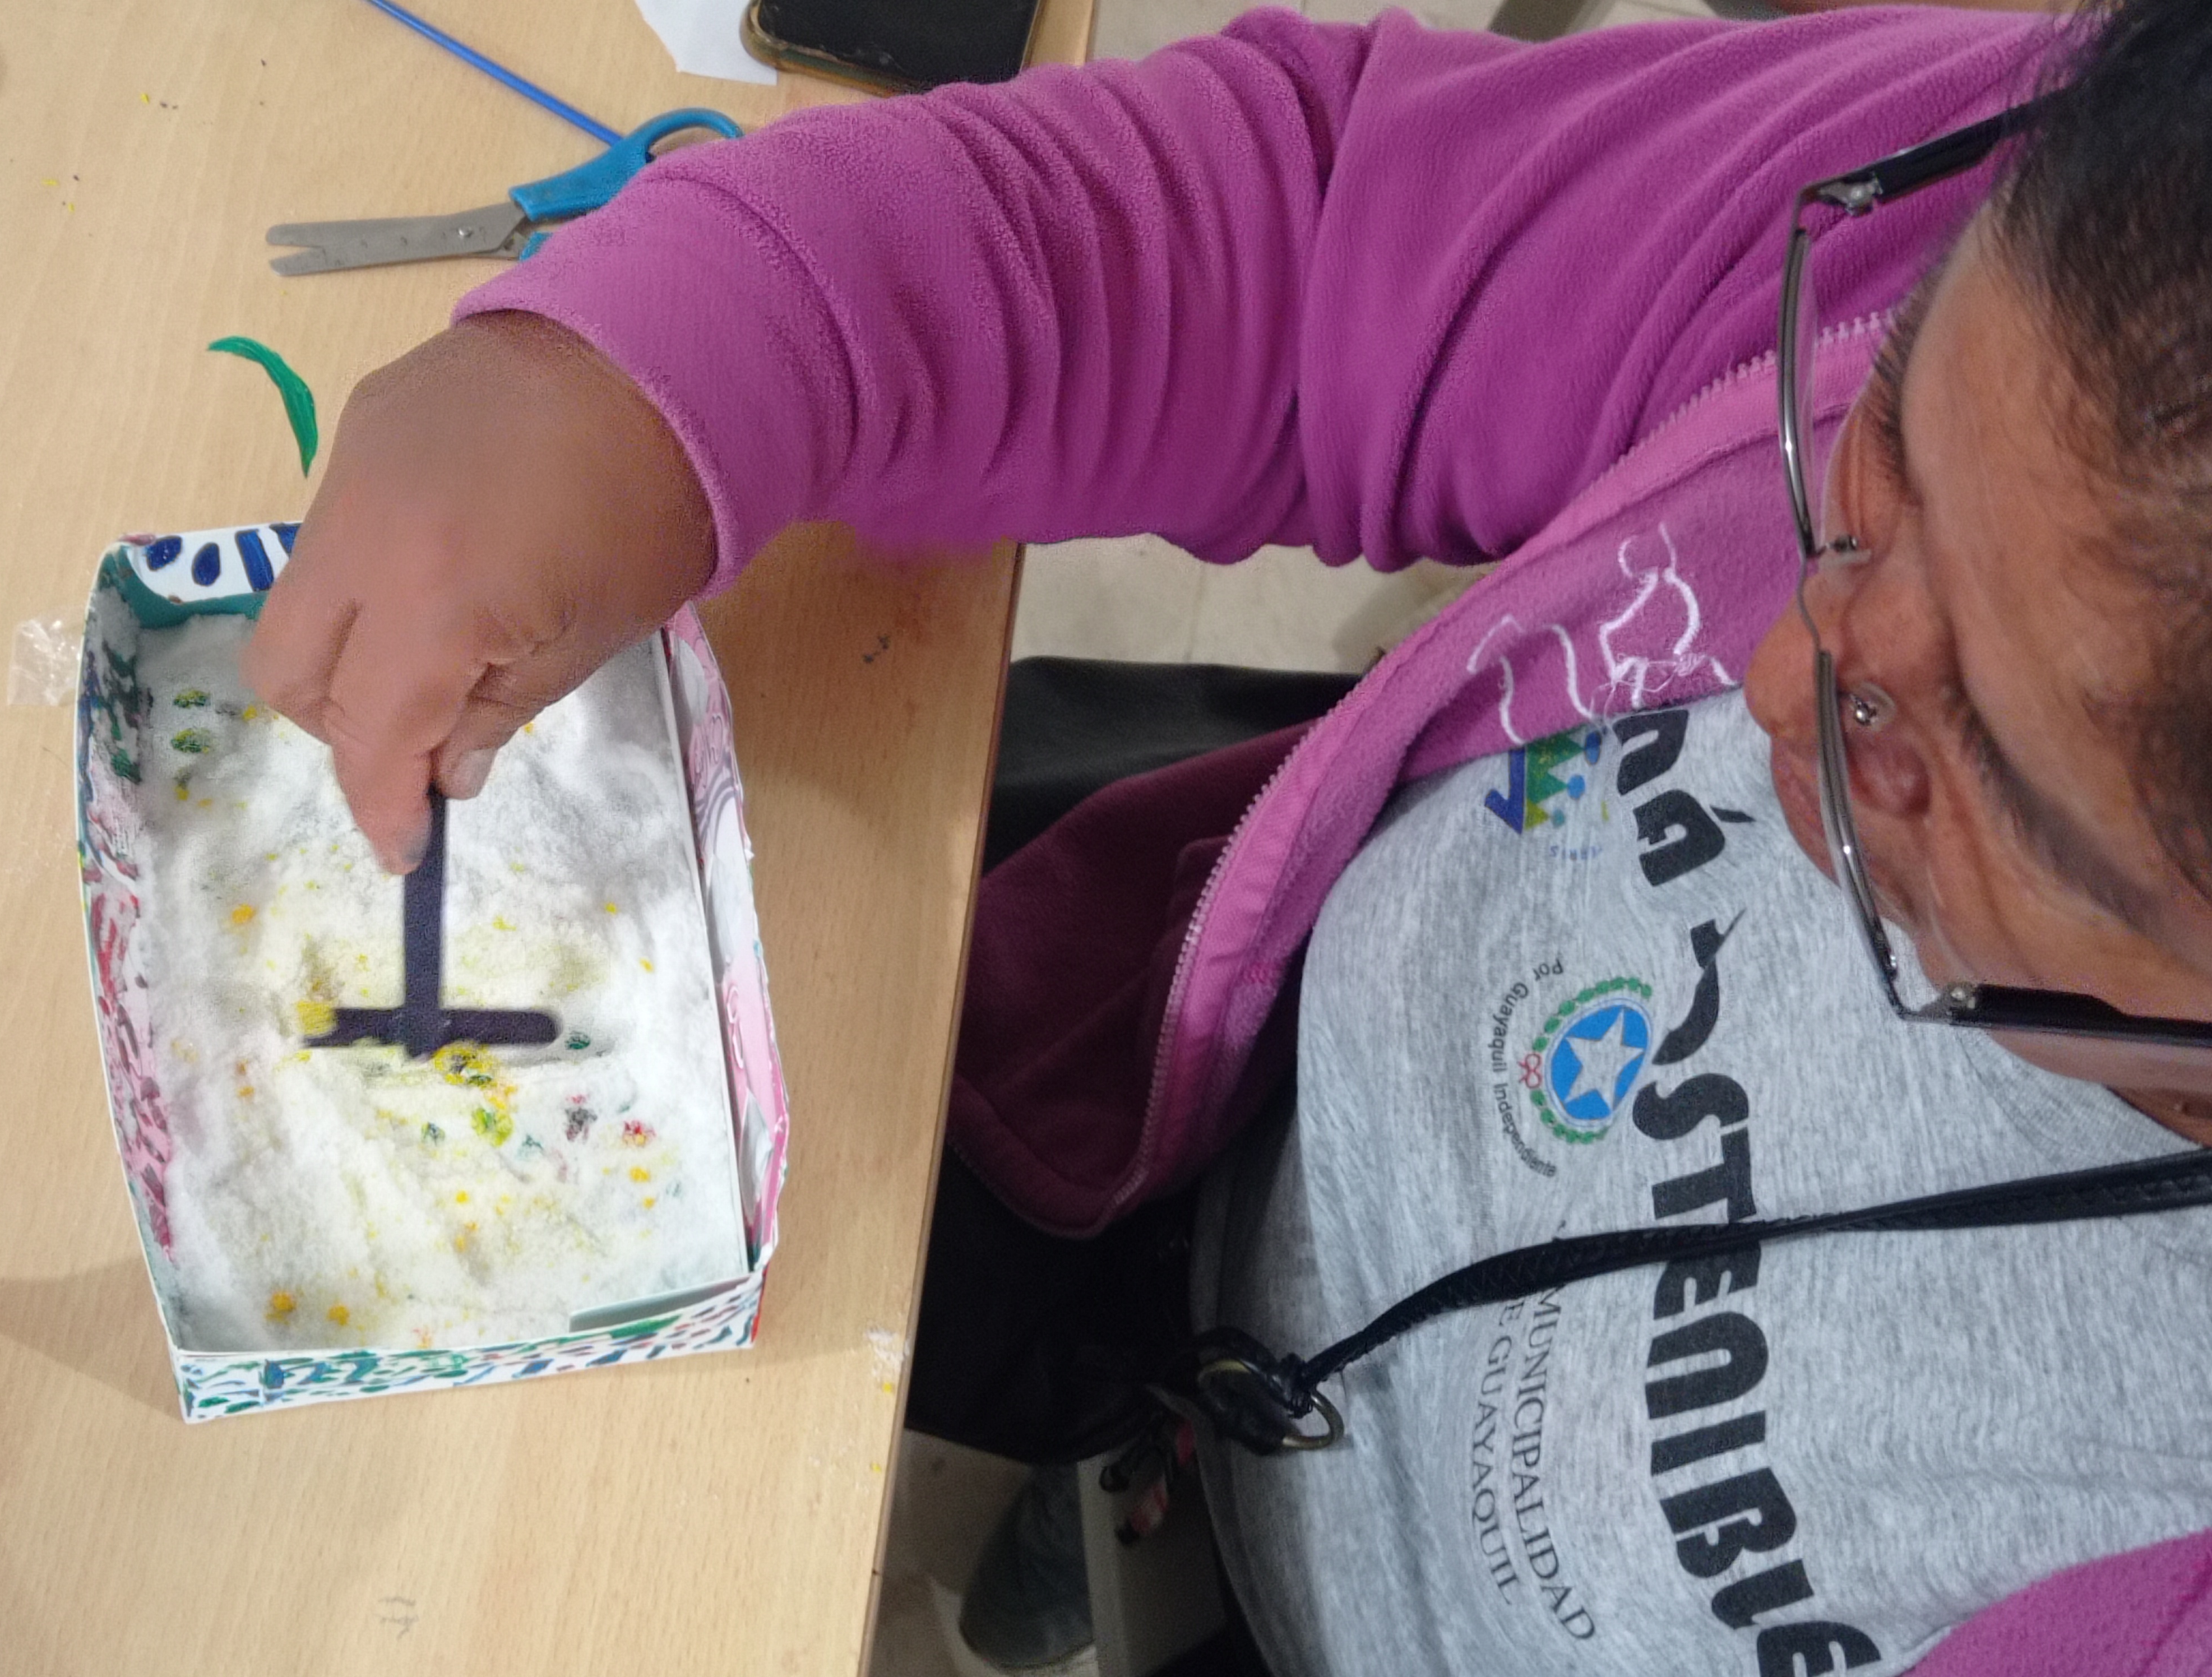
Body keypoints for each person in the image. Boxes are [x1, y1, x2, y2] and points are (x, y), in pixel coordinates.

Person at [241, 0, 2212, 1670]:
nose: (1783, 663)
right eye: (1870, 467)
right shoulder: (2092, 199)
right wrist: (681, 361)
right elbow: (1323, 240)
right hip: (1149, 1058)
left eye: (1951, 762)